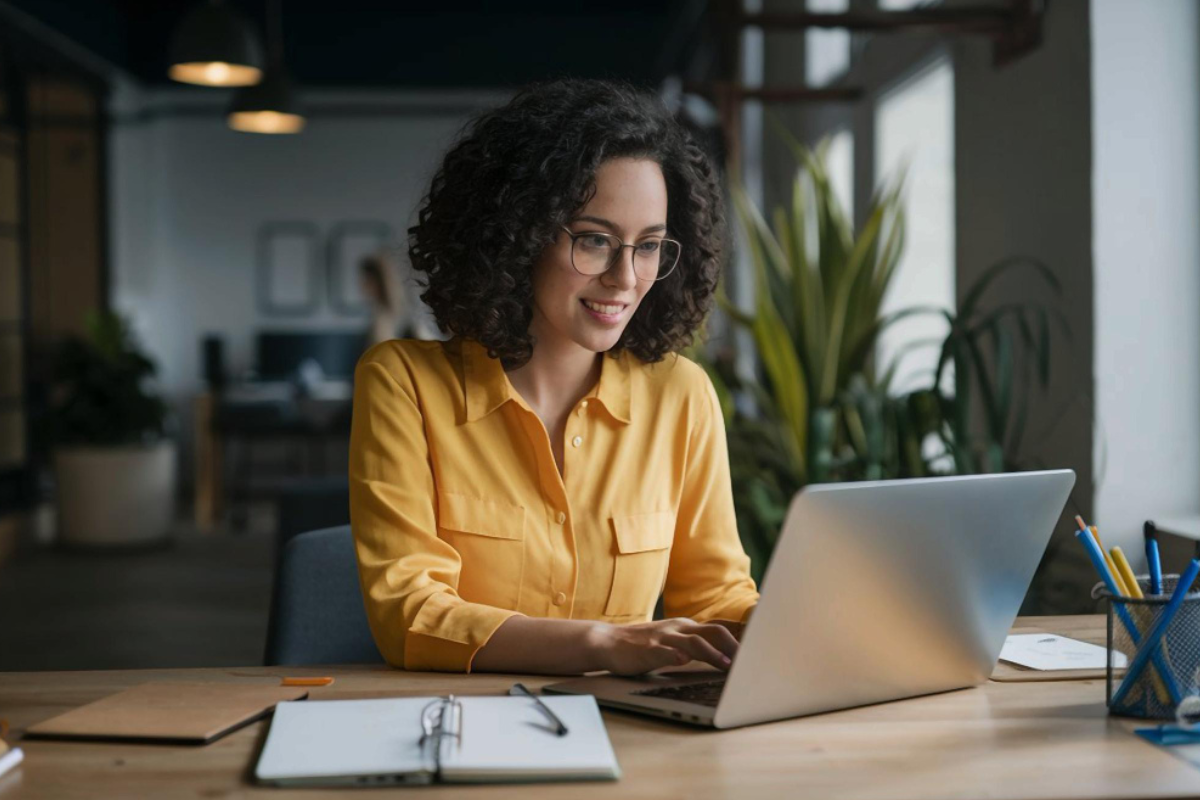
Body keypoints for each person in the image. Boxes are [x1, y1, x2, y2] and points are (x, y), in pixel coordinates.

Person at [348, 79, 758, 676]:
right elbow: (409, 612)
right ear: (519, 234)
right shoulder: (404, 384)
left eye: (648, 246)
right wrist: (602, 644)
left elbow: (715, 599)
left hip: (627, 725)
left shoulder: (682, 395)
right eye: (595, 240)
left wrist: (797, 627)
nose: (626, 278)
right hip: (463, 717)